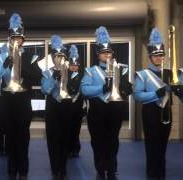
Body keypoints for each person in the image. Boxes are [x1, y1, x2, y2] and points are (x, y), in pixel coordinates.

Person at [0, 13, 42, 180]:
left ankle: (23, 168)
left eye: (19, 38)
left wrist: (22, 67)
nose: (16, 41)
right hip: (7, 100)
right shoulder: (3, 56)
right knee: (10, 136)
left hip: (23, 99)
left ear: (23, 41)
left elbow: (37, 78)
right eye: (13, 38)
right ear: (9, 40)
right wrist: (4, 65)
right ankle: (11, 169)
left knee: (23, 135)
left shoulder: (30, 57)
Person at [80, 26, 132, 180]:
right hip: (97, 110)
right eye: (103, 53)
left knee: (113, 140)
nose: (106, 55)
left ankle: (112, 169)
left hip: (115, 109)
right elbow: (84, 90)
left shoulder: (120, 69)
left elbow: (126, 88)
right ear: (98, 54)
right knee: (97, 141)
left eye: (108, 52)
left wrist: (125, 88)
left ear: (112, 53)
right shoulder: (91, 71)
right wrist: (102, 88)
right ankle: (100, 169)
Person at [134, 28, 183, 180]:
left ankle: (161, 175)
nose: (159, 58)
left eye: (161, 55)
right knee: (151, 147)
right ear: (150, 56)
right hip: (150, 112)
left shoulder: (172, 73)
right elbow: (137, 96)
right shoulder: (142, 74)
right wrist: (155, 94)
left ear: (164, 56)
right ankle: (152, 175)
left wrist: (179, 90)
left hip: (166, 111)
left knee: (162, 147)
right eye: (155, 56)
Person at [40, 36, 84, 180]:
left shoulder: (70, 72)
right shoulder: (47, 73)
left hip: (66, 107)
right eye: (56, 56)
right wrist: (54, 77)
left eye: (61, 56)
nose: (59, 58)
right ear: (52, 57)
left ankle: (63, 169)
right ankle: (55, 168)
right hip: (52, 106)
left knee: (65, 138)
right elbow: (45, 90)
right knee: (53, 139)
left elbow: (75, 89)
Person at [67, 45, 85, 158]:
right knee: (67, 128)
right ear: (69, 65)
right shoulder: (65, 75)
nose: (74, 67)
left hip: (78, 106)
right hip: (67, 106)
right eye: (72, 65)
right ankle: (68, 148)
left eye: (76, 65)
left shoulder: (83, 76)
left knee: (76, 128)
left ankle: (76, 148)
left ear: (78, 66)